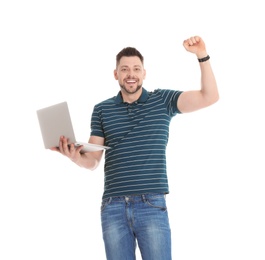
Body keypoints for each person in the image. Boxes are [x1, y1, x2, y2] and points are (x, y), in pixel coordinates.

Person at [51, 35, 219, 260]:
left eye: (136, 69)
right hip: (113, 207)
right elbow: (92, 161)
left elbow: (210, 96)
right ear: (116, 74)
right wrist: (74, 157)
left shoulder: (163, 101)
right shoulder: (102, 110)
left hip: (151, 204)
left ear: (144, 73)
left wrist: (202, 55)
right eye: (125, 69)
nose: (131, 74)